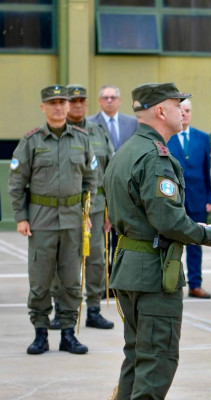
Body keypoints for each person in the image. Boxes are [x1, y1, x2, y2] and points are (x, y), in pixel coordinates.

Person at [103, 81, 211, 400]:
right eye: (178, 105)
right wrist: (209, 235)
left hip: (129, 265)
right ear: (161, 111)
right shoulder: (156, 157)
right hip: (152, 270)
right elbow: (167, 219)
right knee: (157, 357)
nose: (183, 111)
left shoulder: (127, 150)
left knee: (137, 355)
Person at [8, 85, 94, 357]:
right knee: (40, 280)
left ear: (68, 107)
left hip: (73, 220)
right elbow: (16, 183)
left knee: (71, 280)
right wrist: (21, 217)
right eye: (52, 103)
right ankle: (40, 333)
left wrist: (87, 213)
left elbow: (91, 179)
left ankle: (68, 333)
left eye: (62, 102)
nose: (58, 107)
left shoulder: (82, 139)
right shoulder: (31, 141)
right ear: (43, 107)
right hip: (41, 220)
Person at [55, 85, 114, 330]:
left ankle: (93, 309)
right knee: (63, 259)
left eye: (82, 100)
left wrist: (112, 209)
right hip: (64, 207)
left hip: (96, 206)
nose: (78, 105)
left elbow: (111, 172)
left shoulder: (98, 132)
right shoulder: (56, 132)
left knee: (97, 259)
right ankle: (62, 309)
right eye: (73, 101)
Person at [167, 99, 211, 299]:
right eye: (181, 110)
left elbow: (208, 169)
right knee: (172, 242)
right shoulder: (167, 137)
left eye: (187, 110)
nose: (184, 114)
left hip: (197, 198)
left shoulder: (202, 138)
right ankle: (170, 282)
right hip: (173, 199)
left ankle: (195, 284)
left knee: (196, 242)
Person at [90, 84, 137, 149]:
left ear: (119, 100)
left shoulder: (132, 123)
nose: (109, 100)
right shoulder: (90, 123)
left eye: (113, 97)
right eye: (105, 98)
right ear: (99, 101)